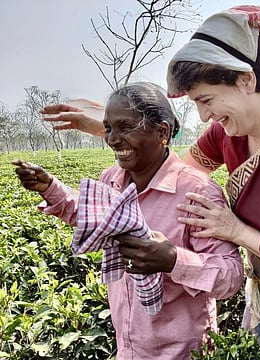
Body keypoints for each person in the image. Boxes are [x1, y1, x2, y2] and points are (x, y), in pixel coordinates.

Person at [41, 6, 260, 358]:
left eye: (206, 99)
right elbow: (174, 174)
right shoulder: (227, 133)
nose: (202, 115)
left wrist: (235, 231)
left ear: (245, 79)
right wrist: (120, 130)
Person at [13, 82, 243, 359]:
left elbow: (230, 276)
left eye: (125, 127)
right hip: (129, 345)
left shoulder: (196, 191)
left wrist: (173, 261)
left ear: (162, 132)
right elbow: (94, 217)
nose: (112, 139)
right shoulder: (111, 179)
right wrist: (49, 187)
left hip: (182, 350)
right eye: (109, 128)